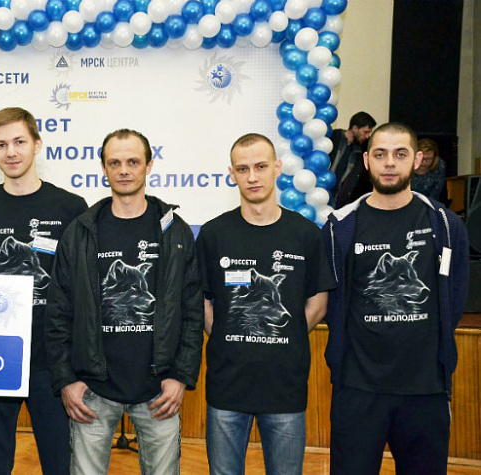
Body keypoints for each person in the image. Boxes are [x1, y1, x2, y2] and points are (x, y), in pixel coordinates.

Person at [46, 128, 204, 475]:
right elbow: (58, 312)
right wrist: (66, 380)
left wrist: (180, 376)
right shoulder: (80, 232)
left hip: (159, 389)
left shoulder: (175, 231)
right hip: (92, 390)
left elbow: (192, 312)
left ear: (149, 165)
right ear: (103, 168)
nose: (124, 170)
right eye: (115, 163)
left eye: (133, 162)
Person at [322, 123, 469, 474]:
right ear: (367, 161)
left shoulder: (445, 225)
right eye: (380, 154)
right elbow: (331, 302)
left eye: (400, 154)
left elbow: (455, 297)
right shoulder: (340, 227)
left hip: (426, 390)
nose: (390, 162)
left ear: (416, 160)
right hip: (357, 389)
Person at [0, 107, 87, 475]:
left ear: (37, 144)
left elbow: (83, 290)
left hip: (53, 362)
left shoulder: (71, 208)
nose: (11, 152)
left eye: (19, 142)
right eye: (1, 145)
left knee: (60, 464)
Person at [197, 133, 334, 475]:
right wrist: (228, 334)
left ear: (277, 168)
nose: (252, 177)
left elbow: (318, 304)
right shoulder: (213, 234)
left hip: (285, 388)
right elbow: (202, 303)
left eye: (260, 166)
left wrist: (283, 332)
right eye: (243, 169)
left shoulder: (306, 234)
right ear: (232, 174)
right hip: (227, 388)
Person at [329, 112, 377, 208]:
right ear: (355, 128)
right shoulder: (333, 137)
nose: (367, 136)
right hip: (321, 191)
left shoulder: (359, 150)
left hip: (337, 201)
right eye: (365, 132)